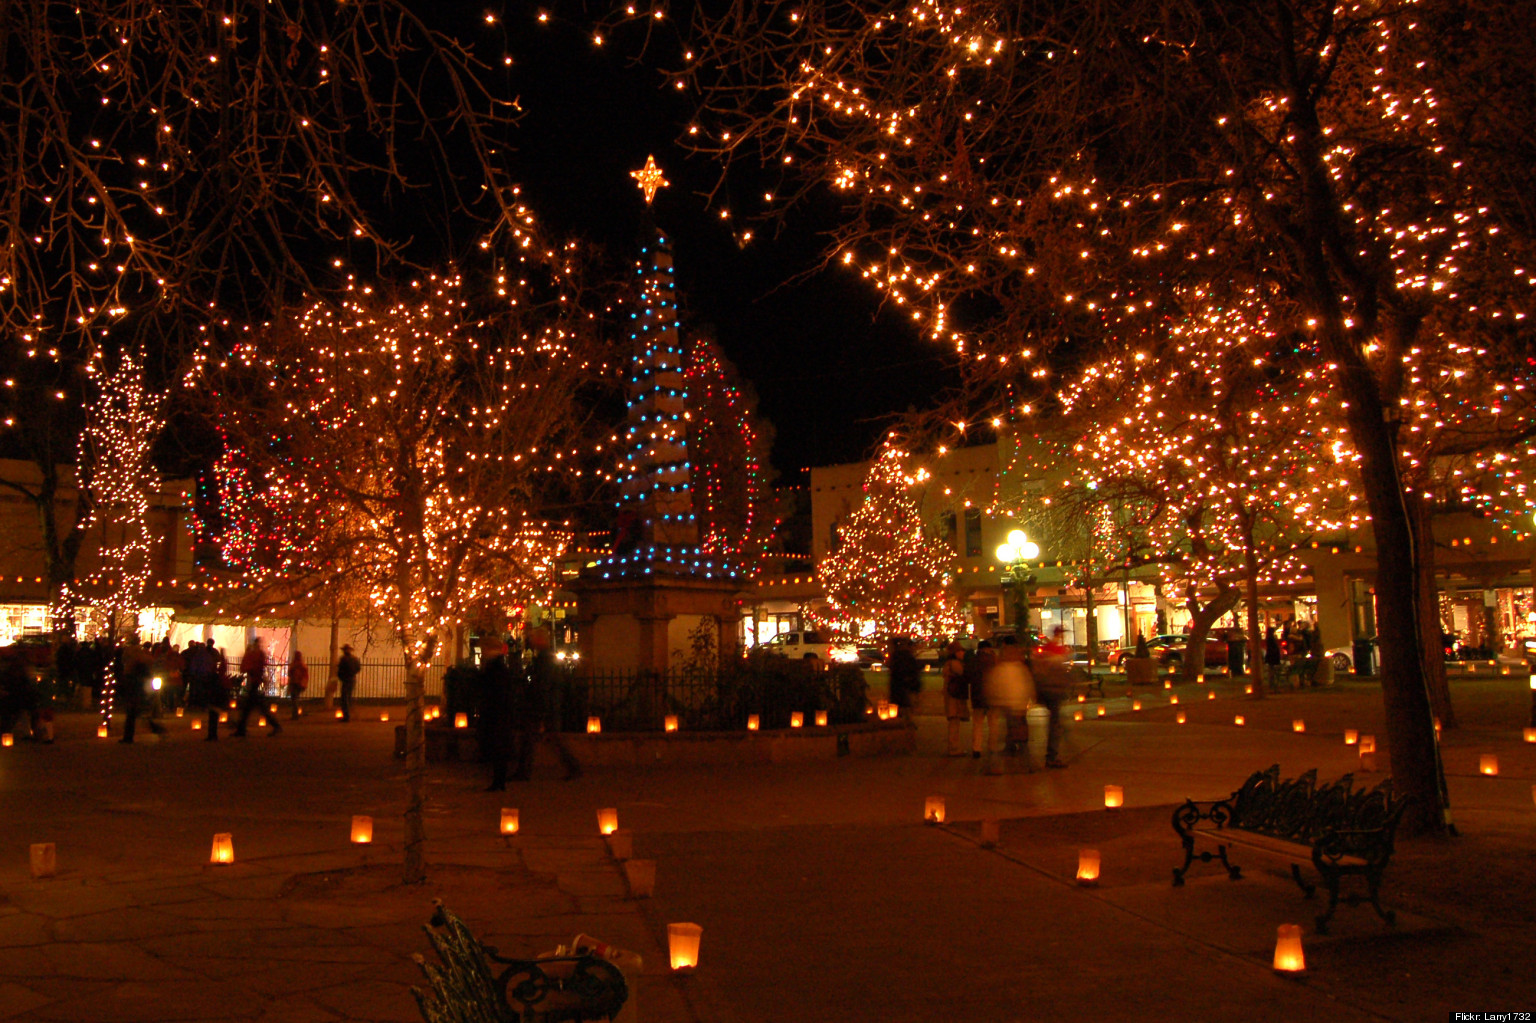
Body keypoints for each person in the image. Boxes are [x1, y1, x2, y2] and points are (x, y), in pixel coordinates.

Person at [517, 628, 582, 781]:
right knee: (547, 739)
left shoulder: (544, 659)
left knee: (535, 739)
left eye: (533, 638)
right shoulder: (545, 658)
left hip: (544, 706)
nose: (530, 641)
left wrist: (541, 707)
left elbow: (544, 684)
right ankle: (573, 767)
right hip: (547, 705)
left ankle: (524, 771)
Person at [478, 636, 515, 791]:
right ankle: (498, 780)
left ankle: (498, 781)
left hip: (497, 714)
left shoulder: (495, 668)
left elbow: (493, 691)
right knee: (498, 748)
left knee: (498, 748)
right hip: (498, 713)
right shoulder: (497, 666)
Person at [1032, 627, 1072, 768]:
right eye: (1061, 634)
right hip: (1053, 692)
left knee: (1055, 723)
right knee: (1055, 725)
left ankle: (1053, 753)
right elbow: (1057, 673)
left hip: (1048, 691)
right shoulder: (1054, 651)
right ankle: (1052, 756)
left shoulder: (1047, 650)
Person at [118, 636, 165, 744]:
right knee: (138, 714)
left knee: (133, 714)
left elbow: (126, 663)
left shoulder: (133, 655)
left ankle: (129, 736)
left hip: (134, 688)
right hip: (140, 688)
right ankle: (155, 729)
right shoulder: (143, 654)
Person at [232, 638, 281, 737]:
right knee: (251, 708)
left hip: (255, 683)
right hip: (255, 682)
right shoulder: (259, 654)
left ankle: (276, 726)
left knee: (251, 708)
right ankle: (241, 729)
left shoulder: (256, 655)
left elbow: (250, 667)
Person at [183, 639, 220, 740]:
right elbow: (214, 664)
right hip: (208, 677)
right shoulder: (209, 655)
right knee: (203, 692)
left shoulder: (198, 655)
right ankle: (203, 705)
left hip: (199, 676)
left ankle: (197, 704)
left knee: (197, 691)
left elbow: (194, 666)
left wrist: (192, 673)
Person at [971, 640, 1001, 761]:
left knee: (978, 724)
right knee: (993, 723)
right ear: (988, 648)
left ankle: (976, 748)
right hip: (991, 696)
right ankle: (992, 747)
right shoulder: (993, 660)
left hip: (978, 696)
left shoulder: (974, 661)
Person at [941, 641, 969, 756]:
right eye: (960, 651)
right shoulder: (955, 664)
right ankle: (954, 748)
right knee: (954, 723)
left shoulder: (949, 664)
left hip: (951, 696)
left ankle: (953, 747)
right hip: (954, 697)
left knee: (954, 723)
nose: (963, 653)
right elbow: (964, 674)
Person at [886, 636, 920, 718]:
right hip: (904, 688)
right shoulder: (905, 658)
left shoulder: (897, 657)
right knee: (904, 709)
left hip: (900, 687)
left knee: (901, 708)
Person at [336, 644, 361, 721]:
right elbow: (358, 668)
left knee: (344, 698)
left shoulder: (343, 659)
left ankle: (346, 716)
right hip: (352, 679)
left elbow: (340, 670)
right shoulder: (354, 659)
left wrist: (341, 676)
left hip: (346, 680)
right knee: (348, 697)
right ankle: (349, 714)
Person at [286, 650, 309, 719]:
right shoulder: (302, 665)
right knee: (295, 698)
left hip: (295, 683)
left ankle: (295, 714)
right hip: (298, 683)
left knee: (294, 699)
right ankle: (295, 713)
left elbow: (289, 673)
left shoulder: (295, 665)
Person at [1264, 626, 1283, 691]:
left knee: (1271, 670)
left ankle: (1272, 683)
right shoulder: (1271, 638)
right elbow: (1272, 647)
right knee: (1271, 670)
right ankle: (1272, 683)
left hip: (1271, 656)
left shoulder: (1269, 638)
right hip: (1272, 656)